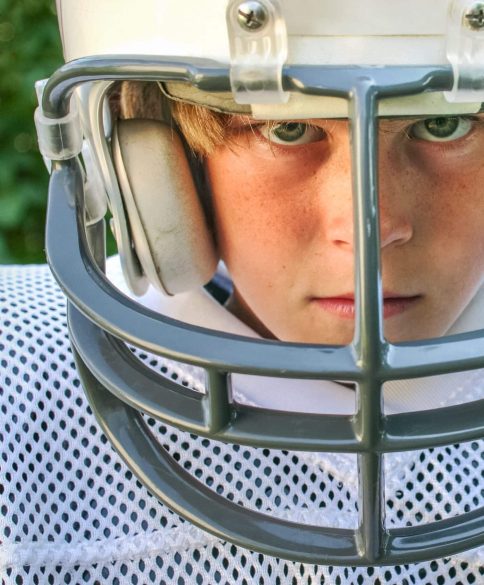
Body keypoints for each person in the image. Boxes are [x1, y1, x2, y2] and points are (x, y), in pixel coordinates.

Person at [1, 0, 484, 582]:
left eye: (444, 123)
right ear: (154, 165)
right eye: (287, 128)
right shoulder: (19, 387)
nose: (370, 229)